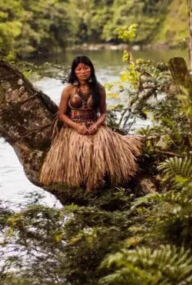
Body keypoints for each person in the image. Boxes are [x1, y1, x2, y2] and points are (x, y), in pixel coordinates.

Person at [40, 55, 142, 191]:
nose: (83, 72)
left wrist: (96, 125)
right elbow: (62, 114)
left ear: (91, 70)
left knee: (100, 148)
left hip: (94, 126)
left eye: (86, 68)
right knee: (81, 151)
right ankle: (79, 181)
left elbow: (103, 113)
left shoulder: (99, 89)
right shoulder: (68, 90)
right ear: (74, 72)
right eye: (79, 69)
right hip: (74, 129)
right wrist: (76, 127)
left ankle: (100, 181)